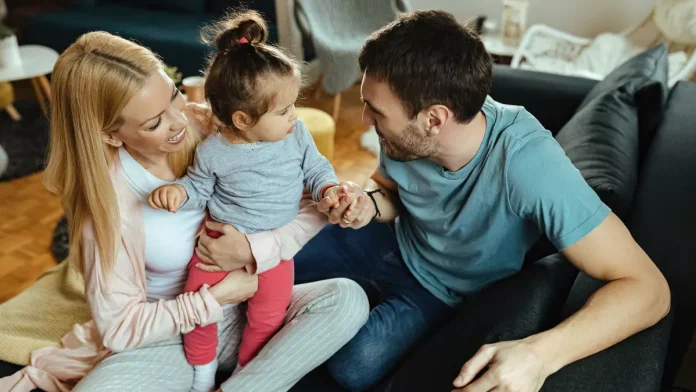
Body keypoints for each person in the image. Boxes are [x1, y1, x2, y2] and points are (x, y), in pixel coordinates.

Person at [199, 9, 671, 392]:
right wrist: (368, 203)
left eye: (375, 111)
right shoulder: (409, 132)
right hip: (386, 239)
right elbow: (390, 189)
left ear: (434, 119)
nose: (364, 121)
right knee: (254, 275)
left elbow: (649, 289)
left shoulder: (530, 164)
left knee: (353, 366)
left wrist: (538, 354)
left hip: (438, 291)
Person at [0, 30, 368, 392]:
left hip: (258, 302)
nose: (179, 122)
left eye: (173, 97)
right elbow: (119, 328)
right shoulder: (109, 205)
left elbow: (307, 199)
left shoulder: (212, 127)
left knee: (347, 299)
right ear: (111, 135)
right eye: (154, 122)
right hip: (179, 329)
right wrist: (214, 298)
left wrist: (255, 251)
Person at [148, 11, 353, 392]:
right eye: (284, 110)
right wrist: (179, 192)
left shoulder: (297, 135)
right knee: (199, 307)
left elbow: (317, 168)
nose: (295, 116)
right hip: (217, 245)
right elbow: (198, 186)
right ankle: (202, 375)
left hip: (274, 252)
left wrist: (327, 189)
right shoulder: (214, 152)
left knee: (268, 318)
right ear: (242, 119)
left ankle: (246, 373)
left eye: (294, 105)